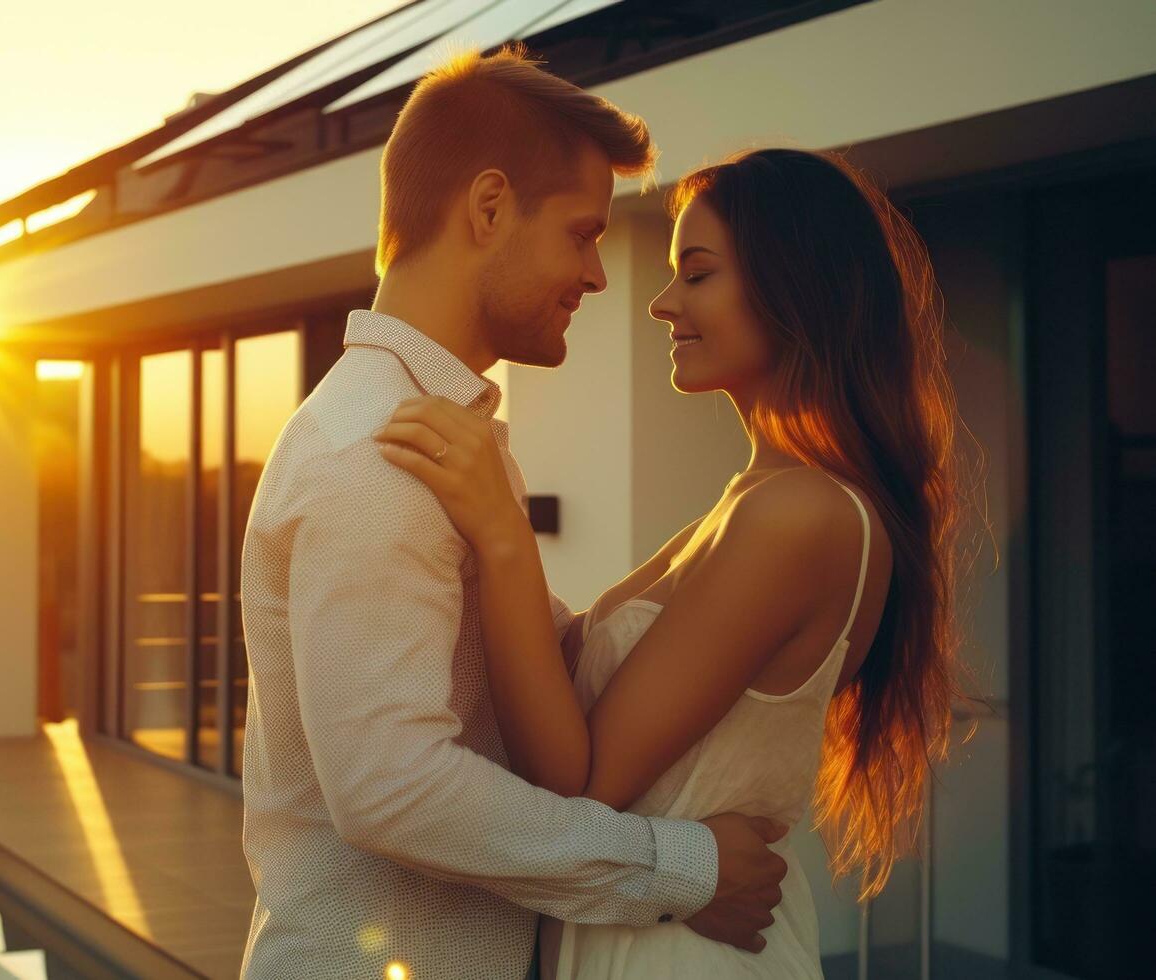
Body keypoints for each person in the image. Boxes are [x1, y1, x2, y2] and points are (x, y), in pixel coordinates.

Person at [238, 46, 788, 980]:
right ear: (489, 208)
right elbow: (390, 789)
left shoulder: (438, 433)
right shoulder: (378, 452)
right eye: (580, 234)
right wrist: (684, 866)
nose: (598, 276)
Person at [377, 147, 965, 978]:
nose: (660, 304)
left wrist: (503, 533)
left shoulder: (799, 516)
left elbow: (577, 786)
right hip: (652, 924)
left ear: (795, 285)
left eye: (696, 273)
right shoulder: (754, 500)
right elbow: (563, 673)